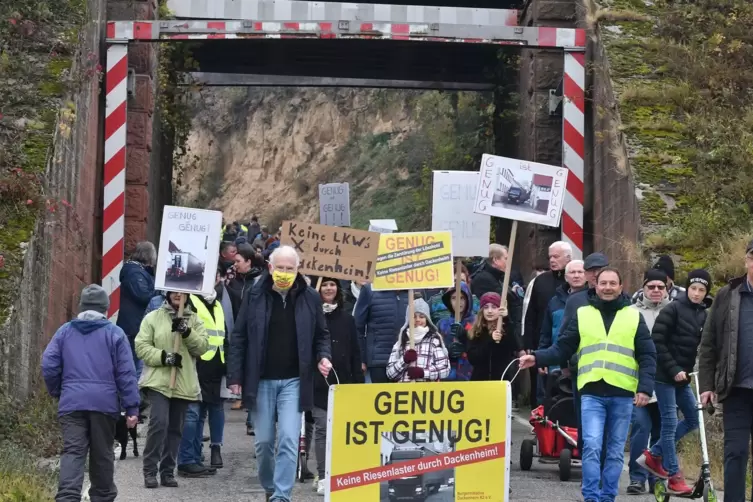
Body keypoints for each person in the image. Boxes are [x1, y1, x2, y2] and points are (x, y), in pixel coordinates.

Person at [519, 267, 656, 502]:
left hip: (622, 394)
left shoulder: (633, 316)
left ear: (621, 287)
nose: (608, 287)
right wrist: (538, 358)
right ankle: (591, 497)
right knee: (591, 445)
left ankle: (608, 497)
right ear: (595, 285)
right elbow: (562, 348)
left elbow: (647, 355)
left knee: (613, 452)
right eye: (603, 283)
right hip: (591, 392)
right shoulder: (583, 314)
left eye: (613, 283)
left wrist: (644, 388)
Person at [227, 245, 332, 502]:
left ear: (297, 270)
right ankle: (270, 487)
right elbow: (238, 336)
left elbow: (322, 334)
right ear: (270, 268)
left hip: (294, 381)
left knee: (288, 439)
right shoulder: (254, 294)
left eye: (290, 268)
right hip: (261, 380)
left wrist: (324, 356)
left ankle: (281, 496)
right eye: (280, 268)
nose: (285, 273)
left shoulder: (310, 297)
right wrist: (235, 377)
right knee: (263, 444)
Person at [41, 284, 139, 502]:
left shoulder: (65, 331)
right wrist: (131, 407)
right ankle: (102, 497)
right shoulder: (115, 334)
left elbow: (48, 364)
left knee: (73, 452)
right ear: (105, 309)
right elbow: (126, 374)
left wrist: (59, 390)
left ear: (81, 308)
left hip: (72, 403)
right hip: (104, 405)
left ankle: (67, 497)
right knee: (102, 454)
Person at [638, 269, 710, 495]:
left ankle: (653, 454)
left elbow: (702, 346)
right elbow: (657, 343)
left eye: (701, 290)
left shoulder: (703, 314)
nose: (697, 294)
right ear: (686, 288)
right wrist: (674, 369)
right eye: (693, 289)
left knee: (692, 418)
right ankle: (673, 475)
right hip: (664, 376)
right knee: (669, 424)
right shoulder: (672, 309)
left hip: (682, 378)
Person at [135, 291, 209, 489]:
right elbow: (141, 346)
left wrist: (186, 332)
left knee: (175, 429)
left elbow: (202, 347)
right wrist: (164, 357)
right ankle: (149, 471)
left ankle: (167, 472)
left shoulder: (194, 320)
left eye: (182, 292)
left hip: (183, 382)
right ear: (167, 293)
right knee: (159, 423)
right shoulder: (152, 318)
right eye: (174, 291)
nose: (178, 294)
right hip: (159, 381)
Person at [699, 241, 753, 502]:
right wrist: (706, 385)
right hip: (736, 390)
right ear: (746, 261)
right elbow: (709, 343)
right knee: (736, 452)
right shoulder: (727, 295)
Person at [177, 268, 232, 477]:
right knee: (194, 413)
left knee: (212, 409)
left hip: (217, 364)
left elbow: (224, 333)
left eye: (215, 276)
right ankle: (189, 458)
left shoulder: (217, 304)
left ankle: (199, 455)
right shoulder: (191, 301)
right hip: (197, 363)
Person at [311, 277, 364, 494]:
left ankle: (339, 472)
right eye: (325, 284)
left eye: (332, 284)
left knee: (341, 430)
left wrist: (358, 385)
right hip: (317, 381)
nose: (329, 288)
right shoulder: (311, 317)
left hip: (344, 382)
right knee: (322, 428)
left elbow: (355, 353)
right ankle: (323, 475)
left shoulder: (348, 320)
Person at [625, 269, 669, 494]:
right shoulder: (630, 312)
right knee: (641, 428)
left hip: (665, 384)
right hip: (638, 382)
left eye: (660, 287)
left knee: (662, 432)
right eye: (651, 286)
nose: (655, 291)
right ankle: (637, 477)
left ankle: (657, 479)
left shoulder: (674, 312)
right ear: (643, 288)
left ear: (666, 288)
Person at [537, 259, 587, 404]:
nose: (576, 275)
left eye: (580, 272)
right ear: (565, 277)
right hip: (556, 360)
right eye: (572, 272)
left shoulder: (594, 299)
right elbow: (546, 332)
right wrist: (542, 357)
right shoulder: (554, 301)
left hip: (582, 362)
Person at [354, 284, 412, 383]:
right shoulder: (370, 290)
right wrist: (361, 359)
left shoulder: (413, 290)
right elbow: (357, 327)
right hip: (379, 361)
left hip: (406, 359)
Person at [116, 241, 157, 381]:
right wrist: (158, 291)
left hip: (135, 325)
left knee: (135, 364)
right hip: (133, 326)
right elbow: (143, 295)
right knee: (133, 366)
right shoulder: (134, 272)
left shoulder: (137, 271)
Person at [386, 298, 450, 382]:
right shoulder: (401, 342)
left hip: (426, 392)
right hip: (404, 391)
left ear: (427, 319)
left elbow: (445, 369)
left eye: (422, 316)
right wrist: (404, 361)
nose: (418, 320)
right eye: (414, 316)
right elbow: (390, 374)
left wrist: (423, 373)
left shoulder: (434, 341)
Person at [467, 292, 525, 381]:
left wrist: (507, 319)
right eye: (486, 307)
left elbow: (516, 345)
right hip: (480, 382)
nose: (489, 311)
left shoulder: (506, 329)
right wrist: (490, 340)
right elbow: (473, 358)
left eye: (494, 307)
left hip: (501, 381)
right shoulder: (476, 331)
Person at [436, 282, 476, 381]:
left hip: (471, 376)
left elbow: (483, 348)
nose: (458, 302)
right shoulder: (442, 324)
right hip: (448, 378)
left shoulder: (477, 322)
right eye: (454, 298)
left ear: (468, 299)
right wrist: (448, 351)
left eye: (462, 298)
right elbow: (435, 351)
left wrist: (465, 342)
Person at [226, 243, 264, 317]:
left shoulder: (259, 282)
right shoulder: (233, 280)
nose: (235, 264)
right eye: (234, 262)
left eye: (238, 261)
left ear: (248, 262)